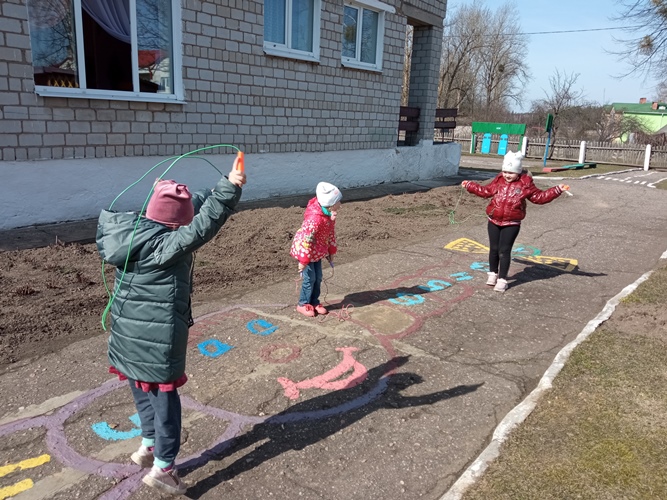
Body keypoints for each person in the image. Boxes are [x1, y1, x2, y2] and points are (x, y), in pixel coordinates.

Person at [96, 165, 246, 495]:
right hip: (157, 341)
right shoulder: (167, 246)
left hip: (127, 339)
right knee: (166, 403)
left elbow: (188, 210)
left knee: (142, 389)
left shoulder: (135, 232)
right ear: (177, 225)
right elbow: (203, 225)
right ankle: (164, 468)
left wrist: (217, 187)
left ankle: (148, 445)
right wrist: (231, 189)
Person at [461, 151, 568, 292]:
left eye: (511, 173)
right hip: (493, 220)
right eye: (505, 171)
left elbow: (539, 197)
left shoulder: (525, 184)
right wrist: (470, 185)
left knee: (504, 251)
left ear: (518, 172)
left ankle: (502, 279)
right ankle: (492, 274)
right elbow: (485, 191)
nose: (507, 175)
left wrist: (557, 190)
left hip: (512, 223)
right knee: (494, 249)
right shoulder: (499, 180)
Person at [290, 182, 342, 317]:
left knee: (318, 277)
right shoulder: (315, 219)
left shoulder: (328, 216)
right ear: (331, 204)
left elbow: (330, 234)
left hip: (317, 250)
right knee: (309, 279)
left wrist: (331, 251)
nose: (340, 204)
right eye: (338, 202)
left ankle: (314, 302)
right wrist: (303, 260)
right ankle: (303, 304)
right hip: (307, 251)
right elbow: (306, 240)